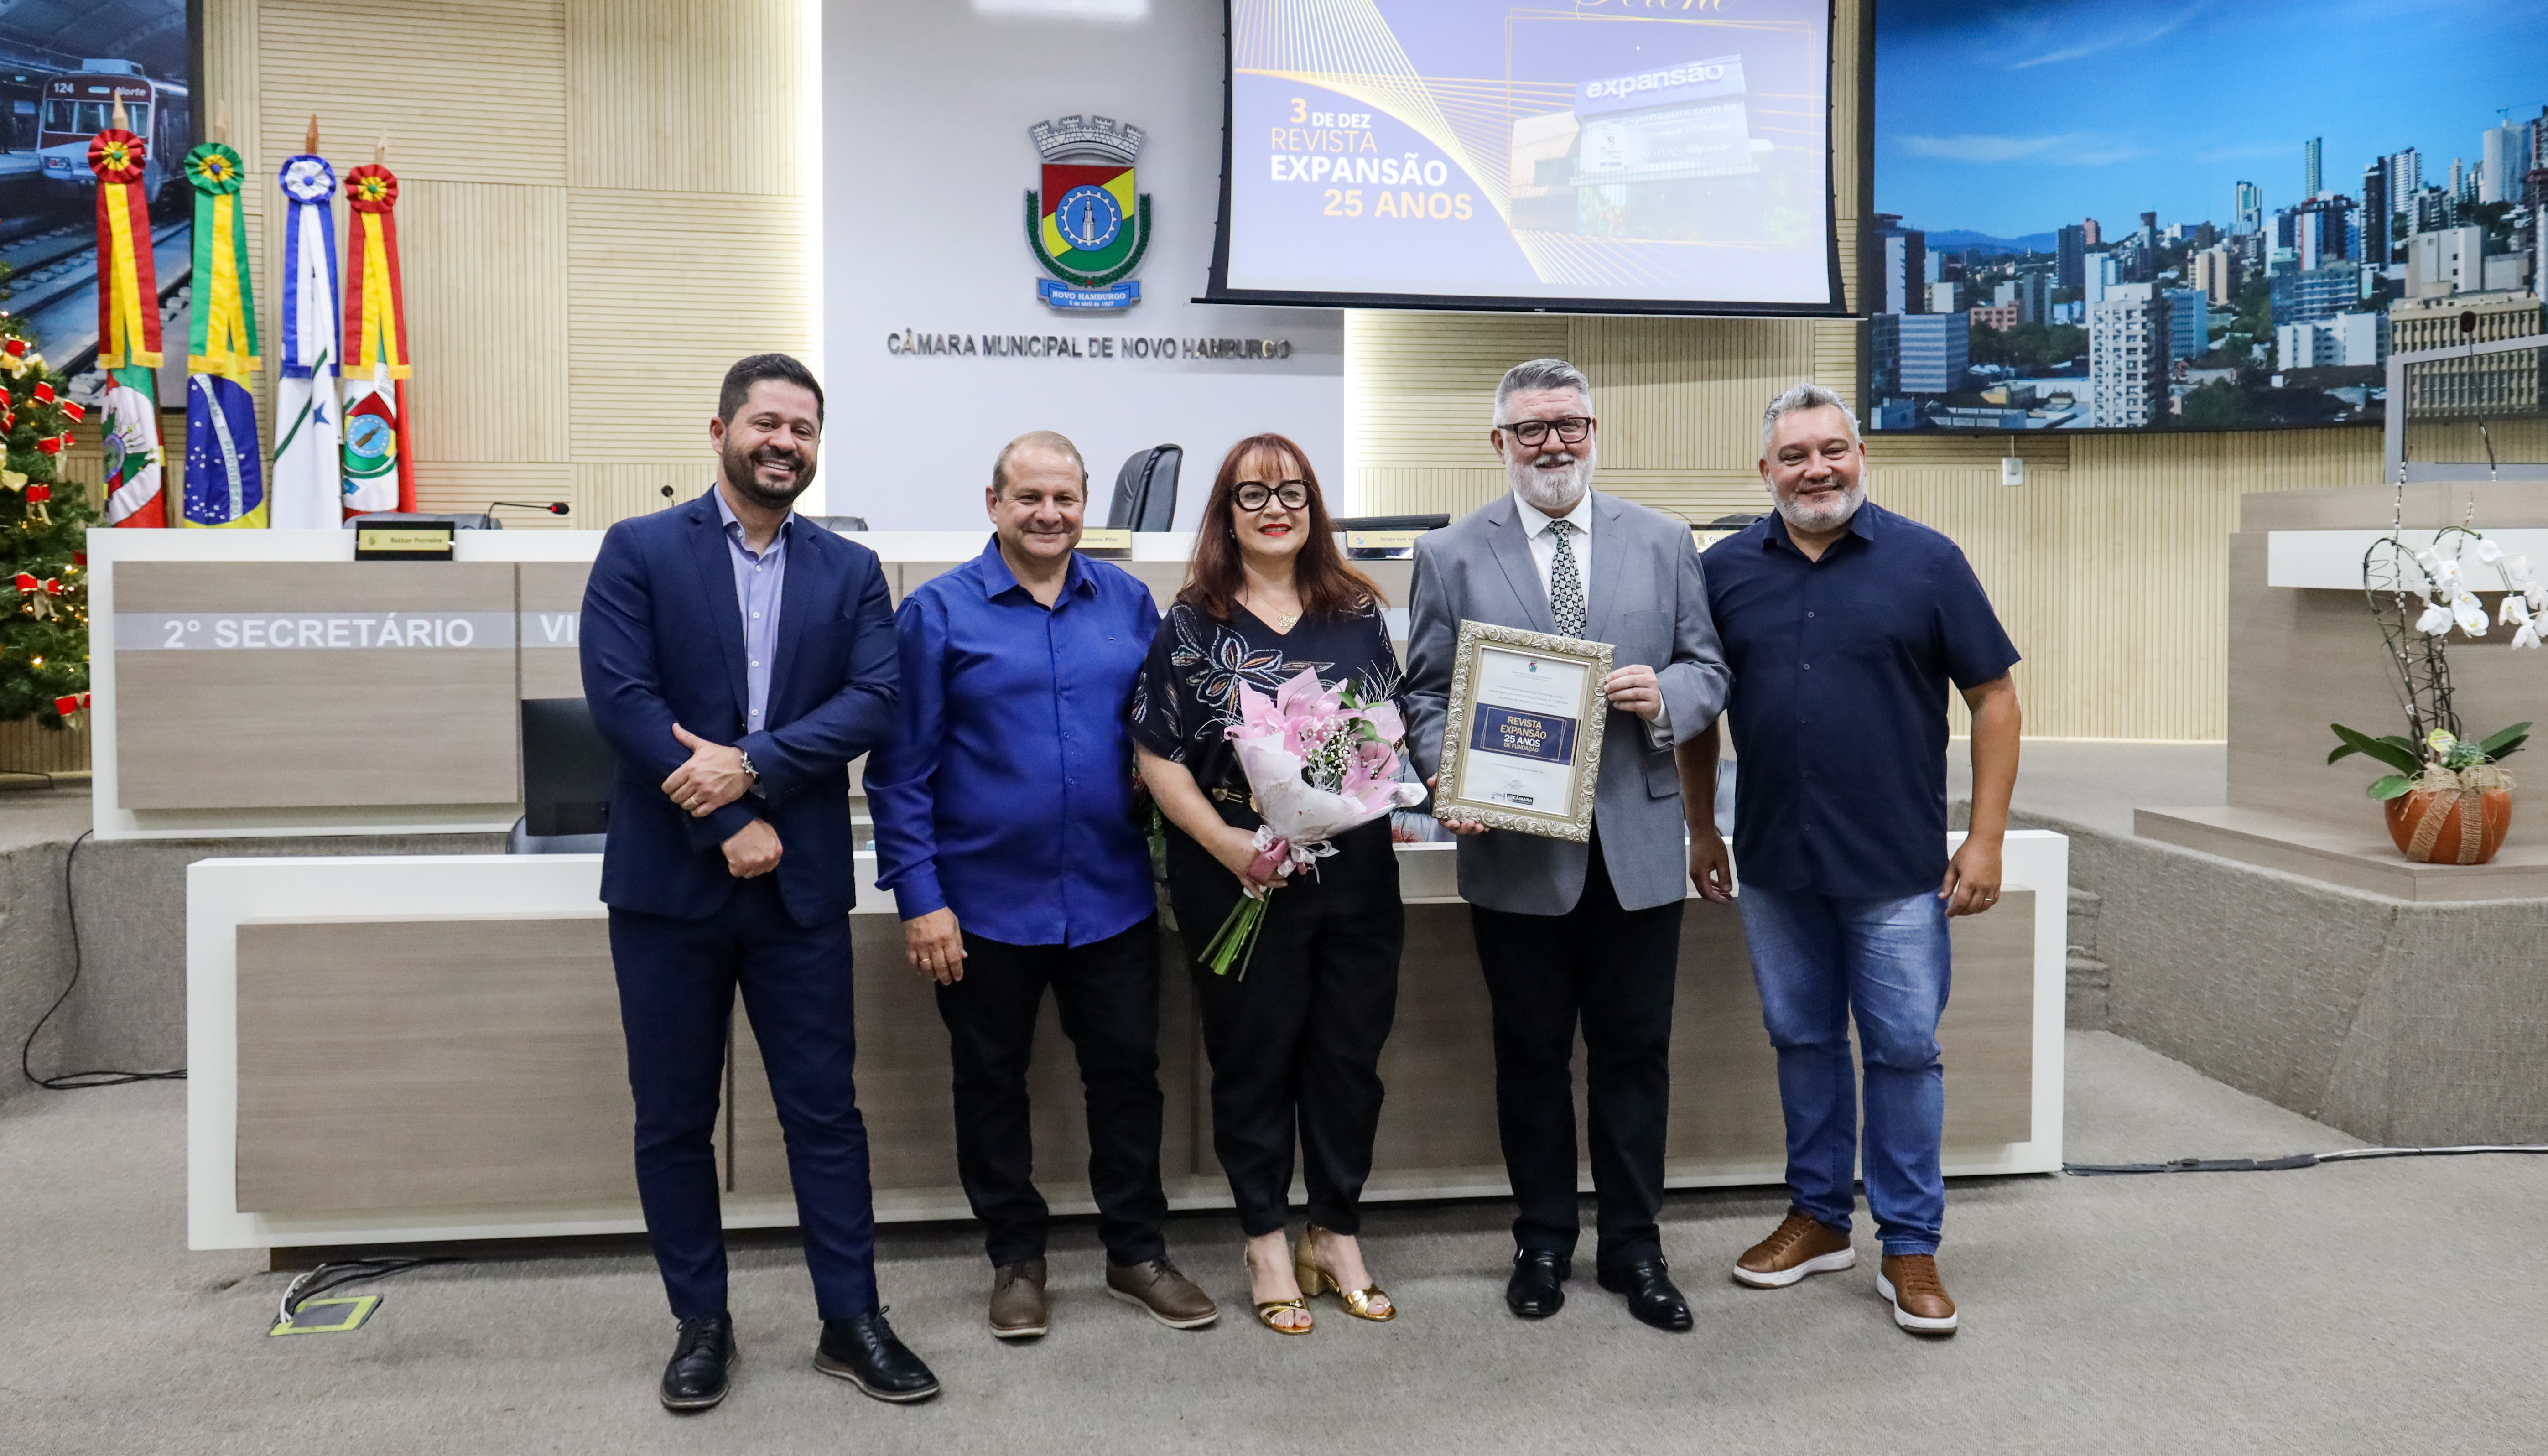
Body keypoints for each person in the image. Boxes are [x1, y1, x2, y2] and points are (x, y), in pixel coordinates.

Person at [580, 353, 939, 1412]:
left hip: (800, 892)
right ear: (721, 431)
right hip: (668, 890)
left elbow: (874, 700)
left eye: (804, 429)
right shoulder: (641, 549)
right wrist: (729, 820)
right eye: (767, 423)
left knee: (825, 1114)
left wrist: (753, 767)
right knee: (673, 1119)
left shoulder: (851, 569)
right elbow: (621, 699)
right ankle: (701, 1324)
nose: (785, 443)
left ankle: (851, 1320)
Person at [1685, 381, 2022, 1338]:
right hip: (1775, 860)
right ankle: (1820, 1217)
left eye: (1831, 450)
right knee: (1801, 1039)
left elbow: (1994, 698)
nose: (1816, 470)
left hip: (1896, 866)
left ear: (1860, 455)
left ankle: (1909, 1243)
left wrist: (1986, 838)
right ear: (1764, 471)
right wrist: (1703, 827)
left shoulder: (1928, 562)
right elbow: (1698, 709)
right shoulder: (1721, 572)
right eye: (1794, 456)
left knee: (1905, 1051)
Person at [1403, 357, 1731, 1333]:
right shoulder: (1450, 553)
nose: (1553, 444)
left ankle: (1635, 1246)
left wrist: (1664, 695)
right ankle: (1542, 1241)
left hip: (1636, 844)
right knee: (1531, 1057)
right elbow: (1425, 693)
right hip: (1514, 851)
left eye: (1570, 425)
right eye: (1532, 429)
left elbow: (1709, 668)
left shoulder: (1664, 540)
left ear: (1594, 432)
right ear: (1499, 442)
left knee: (1636, 1056)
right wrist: (1449, 778)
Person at [866, 430, 1217, 1340]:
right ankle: (1016, 1260)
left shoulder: (1128, 602)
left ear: (1086, 505)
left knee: (1128, 1079)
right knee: (990, 1082)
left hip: (1111, 896)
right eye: (1029, 498)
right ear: (994, 504)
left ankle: (1136, 1252)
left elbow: (1164, 735)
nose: (1049, 514)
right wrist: (920, 899)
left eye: (1065, 498)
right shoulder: (937, 614)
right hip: (982, 907)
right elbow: (899, 774)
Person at [1129, 433, 1405, 1336]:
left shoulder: (1356, 610)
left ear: (1314, 507)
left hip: (1356, 875)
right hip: (1238, 876)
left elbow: (1389, 729)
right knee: (1253, 1064)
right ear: (1226, 513)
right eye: (1252, 494)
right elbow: (1156, 754)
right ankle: (1264, 1242)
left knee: (1349, 1062)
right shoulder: (1193, 622)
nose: (1274, 509)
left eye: (1291, 492)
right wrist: (1226, 844)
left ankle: (1335, 1232)